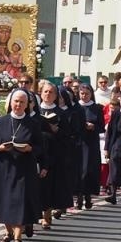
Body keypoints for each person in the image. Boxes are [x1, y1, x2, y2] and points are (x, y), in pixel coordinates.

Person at [0, 88, 43, 242]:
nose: (18, 105)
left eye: (22, 102)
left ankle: (18, 236)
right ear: (10, 103)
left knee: (20, 201)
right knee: (4, 200)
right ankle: (8, 232)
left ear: (27, 105)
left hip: (24, 167)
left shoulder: (33, 123)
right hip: (3, 166)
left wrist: (30, 149)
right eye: (16, 101)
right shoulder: (1, 121)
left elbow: (40, 146)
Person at [35, 81, 75, 228]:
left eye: (51, 92)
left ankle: (47, 213)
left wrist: (56, 130)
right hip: (39, 152)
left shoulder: (61, 113)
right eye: (45, 92)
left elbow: (68, 135)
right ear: (41, 93)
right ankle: (38, 212)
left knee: (51, 185)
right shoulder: (36, 112)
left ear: (56, 96)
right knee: (39, 184)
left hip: (55, 153)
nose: (48, 94)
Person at [74, 83, 104, 209]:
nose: (84, 96)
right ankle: (79, 196)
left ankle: (88, 196)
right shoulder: (76, 107)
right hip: (78, 142)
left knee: (89, 170)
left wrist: (93, 127)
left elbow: (102, 127)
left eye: (87, 93)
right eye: (82, 93)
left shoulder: (96, 108)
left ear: (91, 94)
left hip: (91, 143)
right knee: (79, 171)